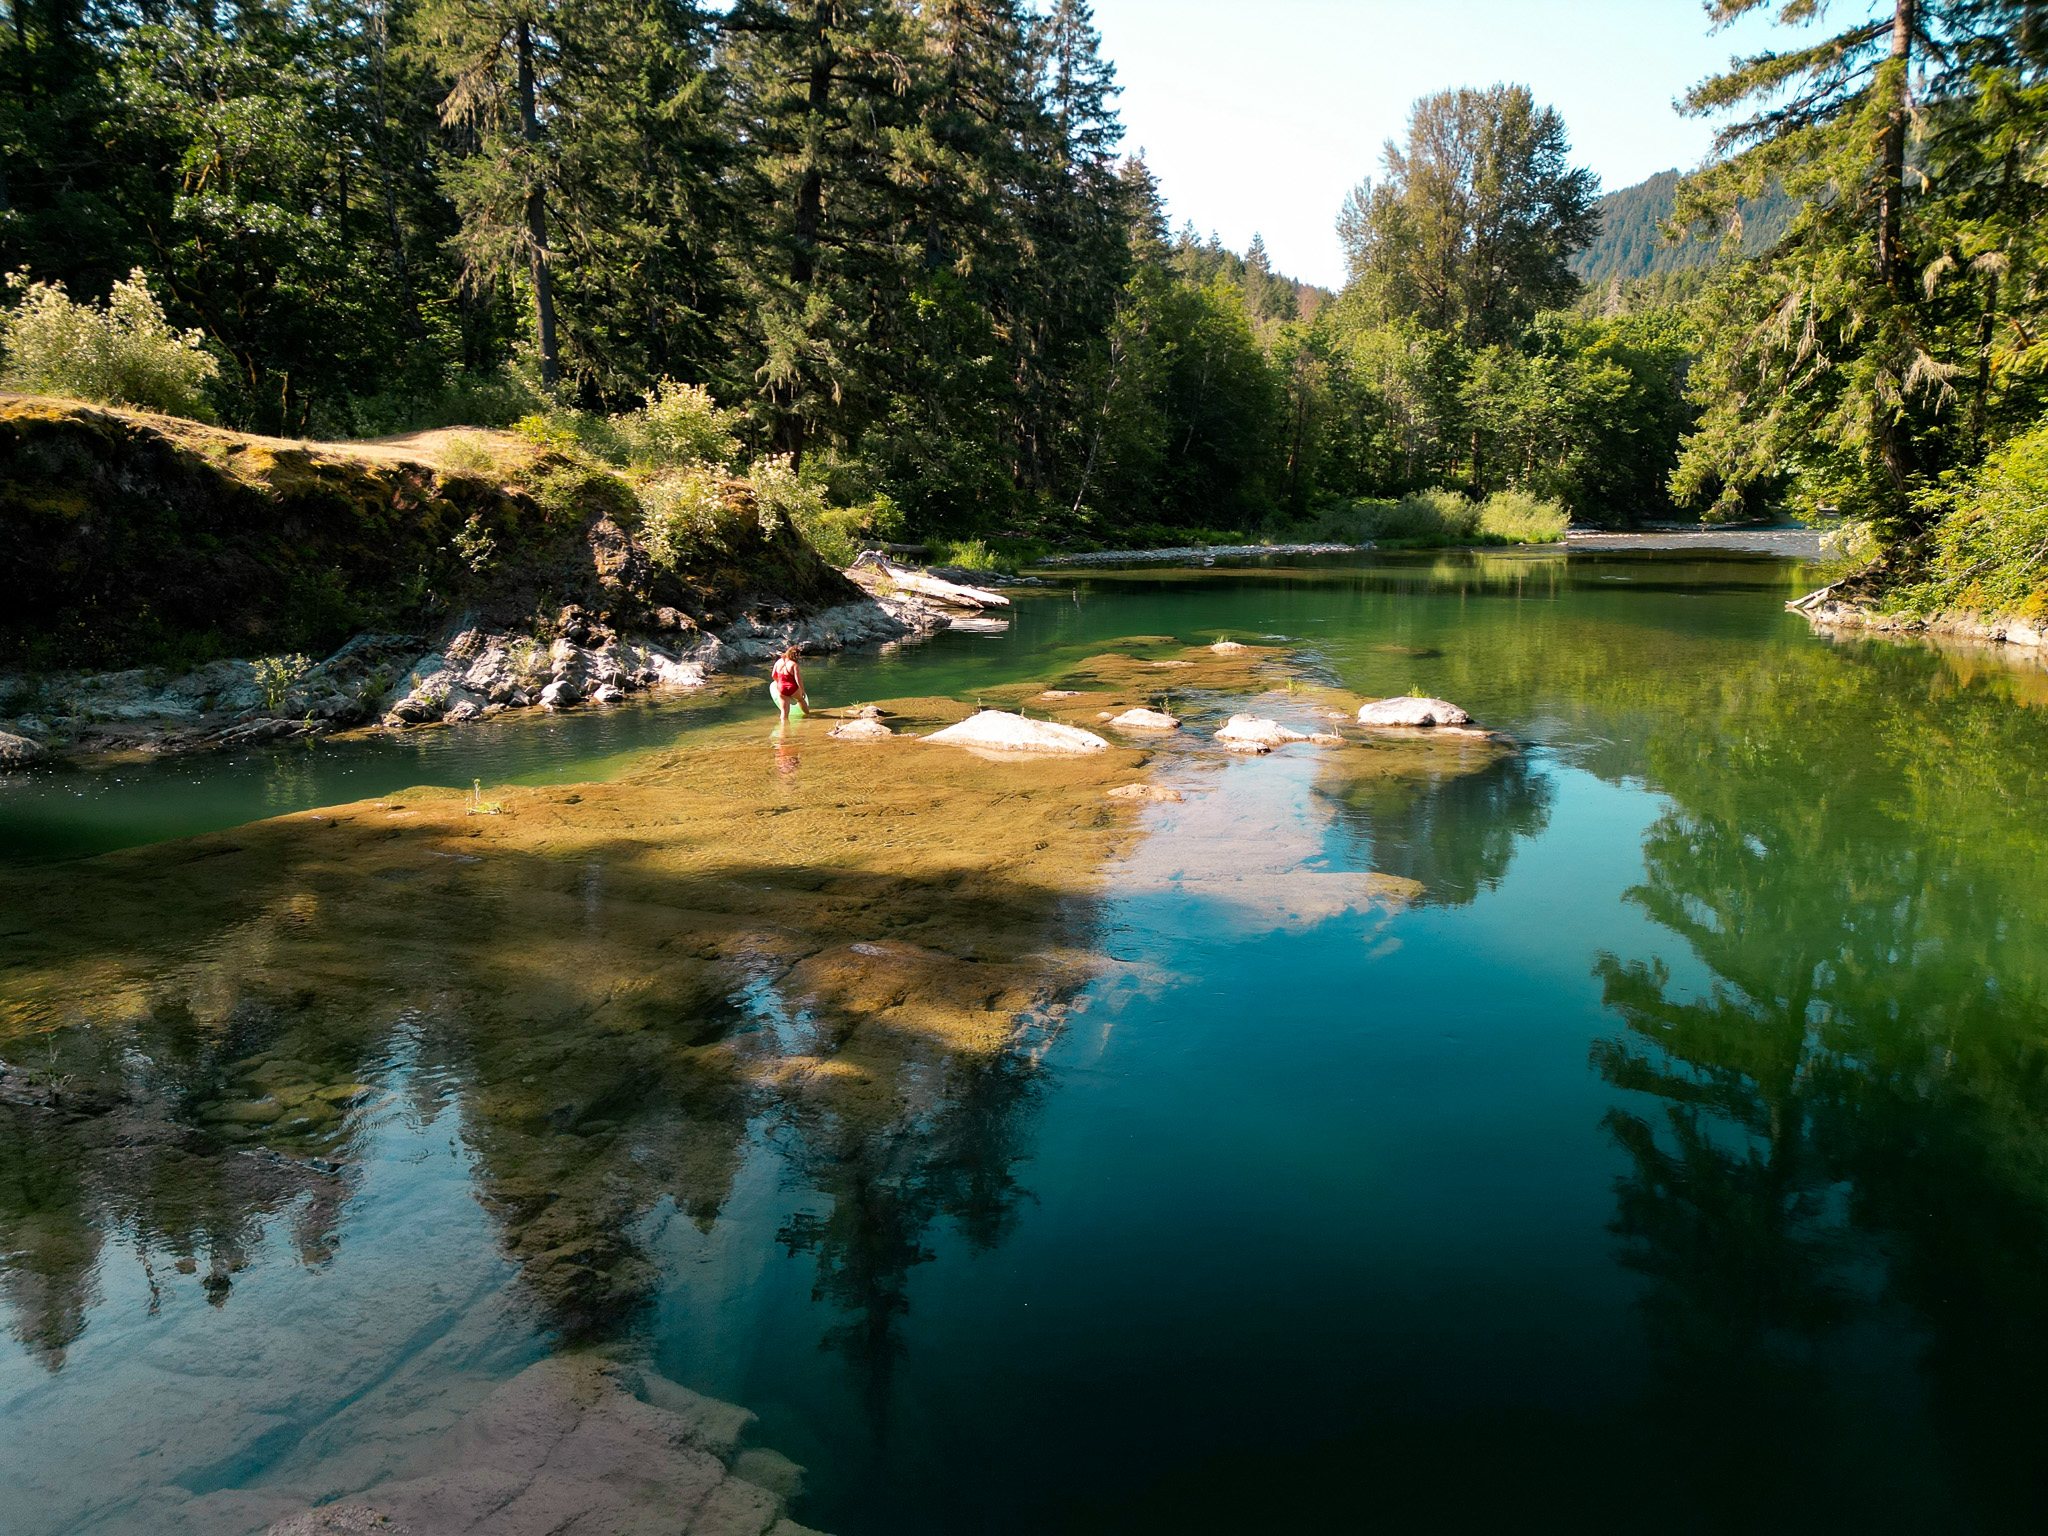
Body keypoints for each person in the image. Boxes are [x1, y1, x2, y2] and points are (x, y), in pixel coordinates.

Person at [769, 644, 809, 728]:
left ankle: (783, 731)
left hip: (781, 688)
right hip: (792, 687)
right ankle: (808, 716)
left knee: (784, 712)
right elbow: (798, 680)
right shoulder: (794, 665)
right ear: (796, 655)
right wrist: (802, 690)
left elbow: (773, 675)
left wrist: (779, 682)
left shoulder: (779, 662)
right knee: (801, 700)